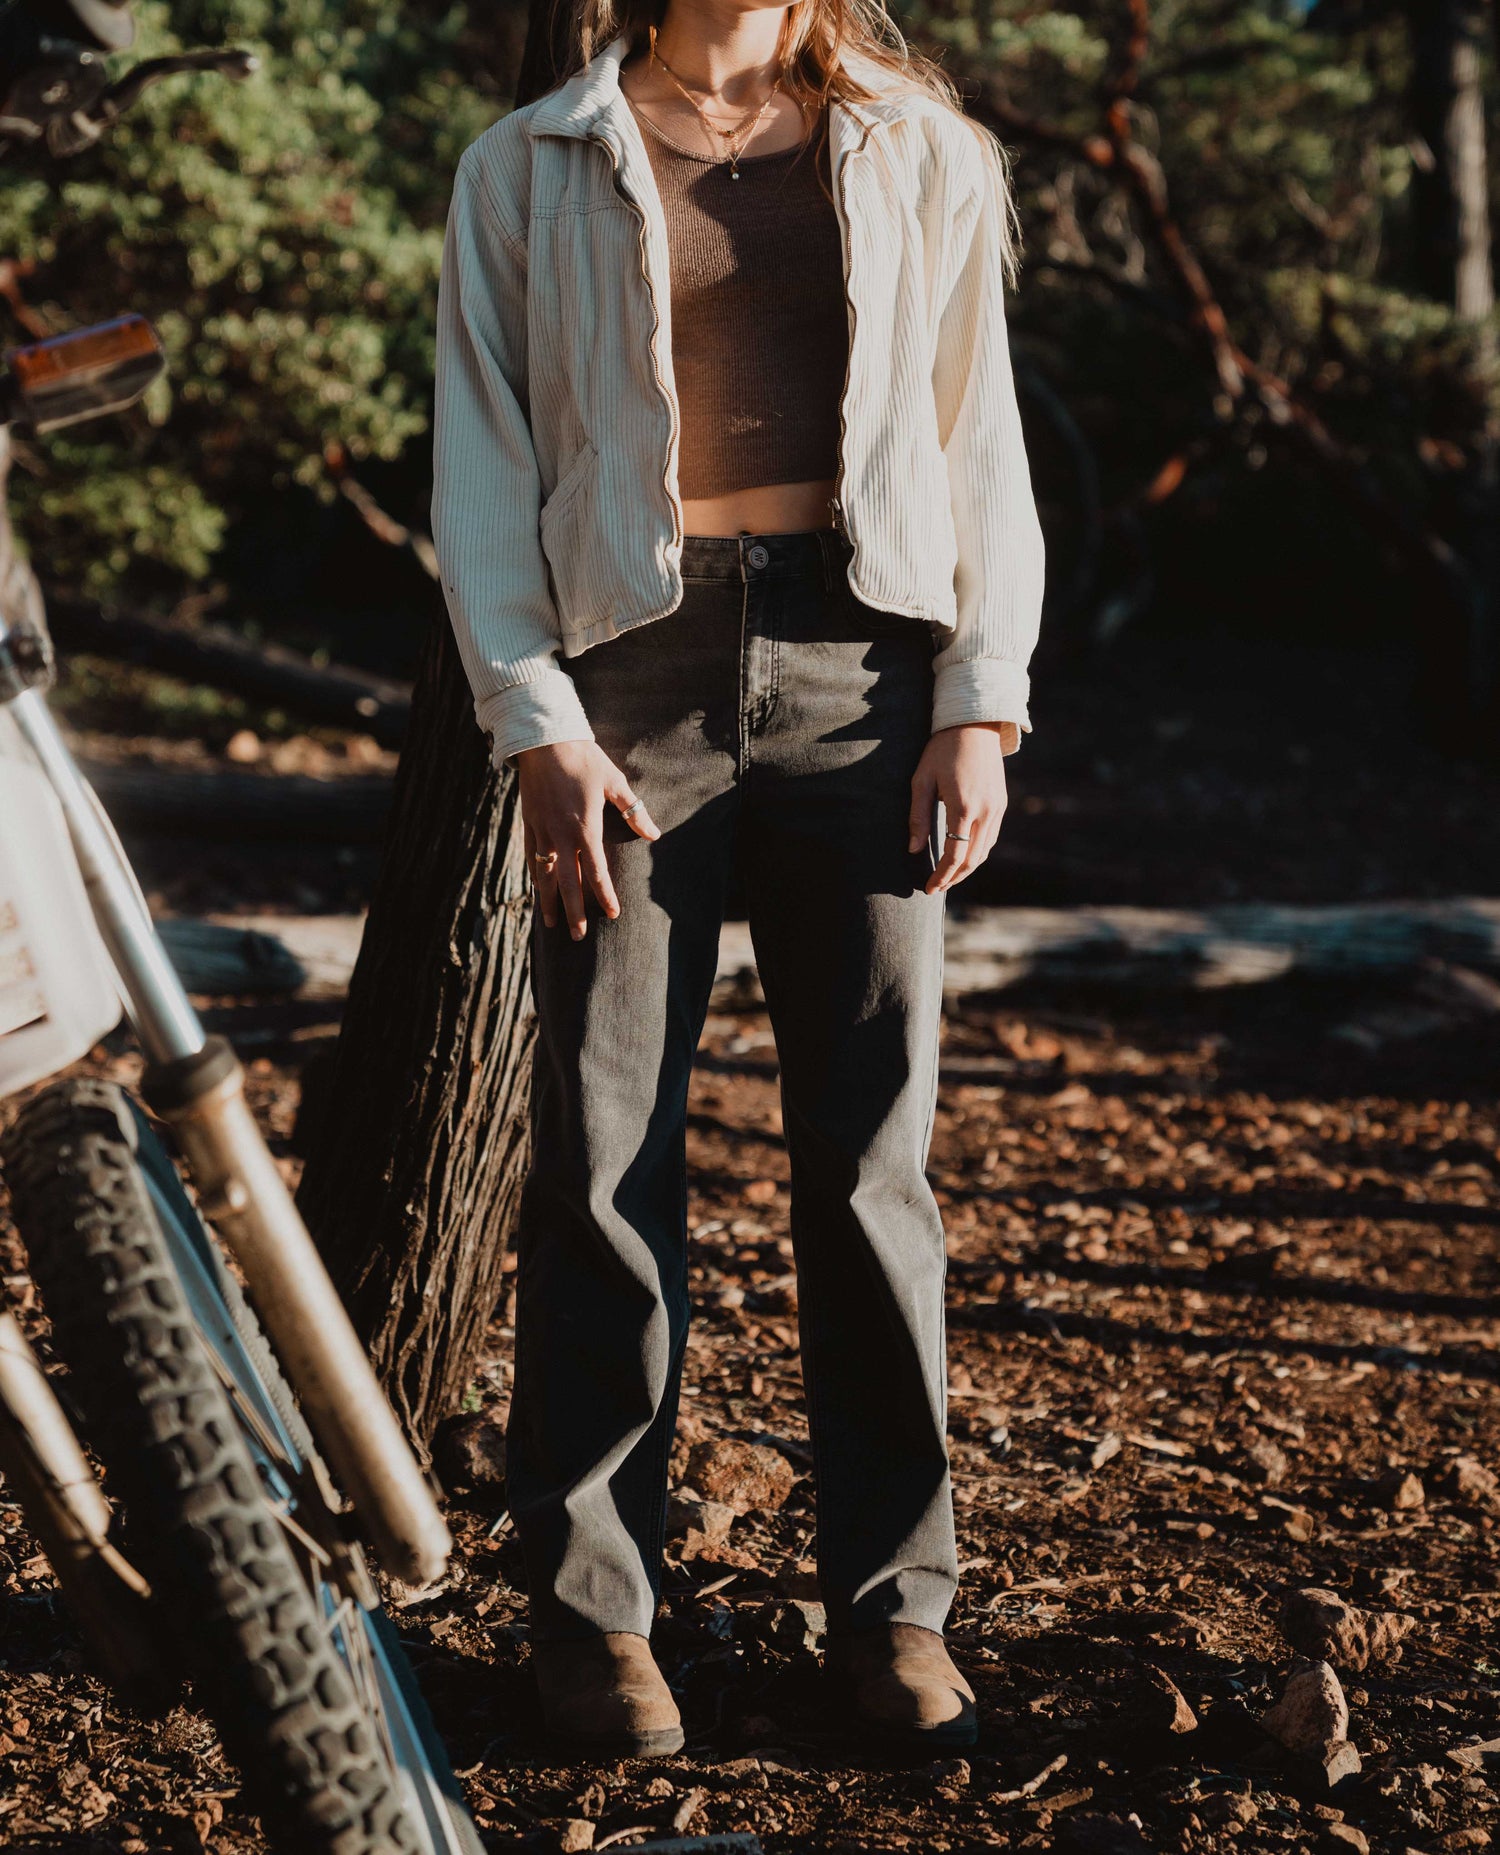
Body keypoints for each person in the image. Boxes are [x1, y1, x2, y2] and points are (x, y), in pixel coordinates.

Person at [432, 0, 1045, 1762]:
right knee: (603, 1157)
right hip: (633, 676)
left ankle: (897, 1611)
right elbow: (482, 456)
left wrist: (979, 702)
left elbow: (977, 434)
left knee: (873, 1160)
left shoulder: (920, 150)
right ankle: (595, 1616)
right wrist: (538, 728)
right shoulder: (529, 165)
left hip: (868, 675)